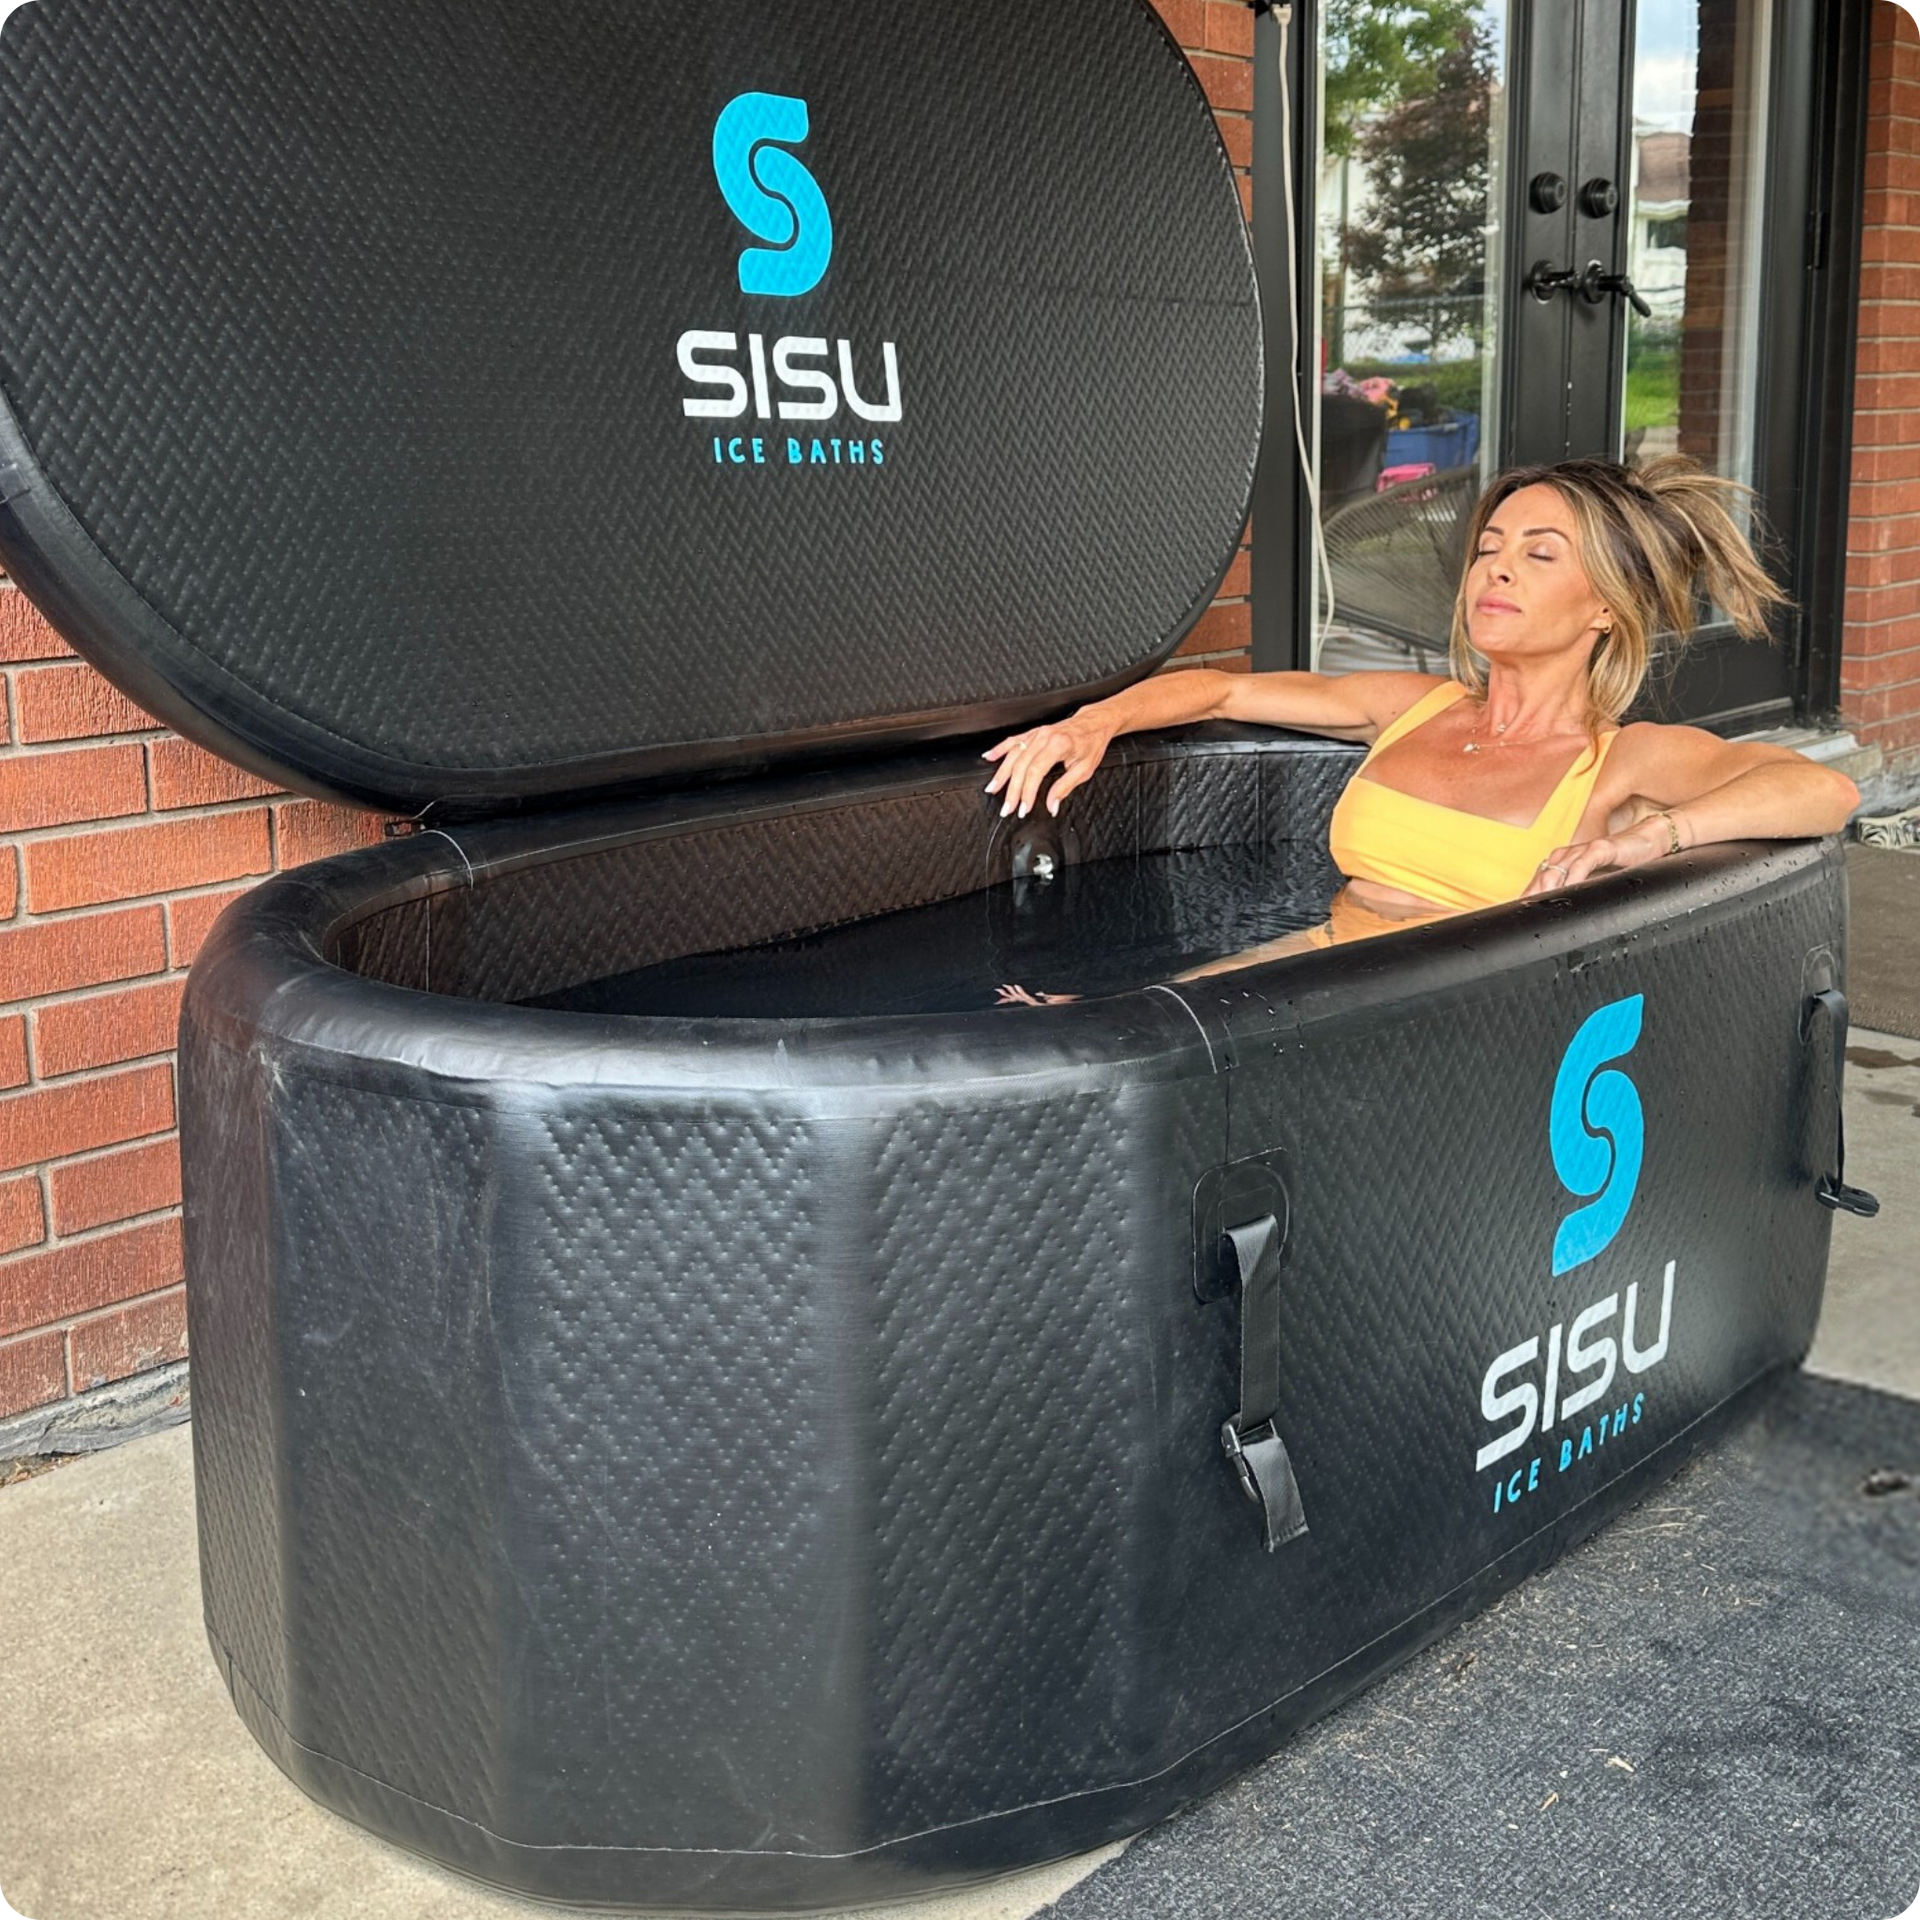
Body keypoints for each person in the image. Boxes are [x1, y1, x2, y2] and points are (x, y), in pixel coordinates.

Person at [984, 456, 1859, 997]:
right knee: (1098, 1037)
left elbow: (1826, 789)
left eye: (1539, 555)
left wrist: (1661, 834)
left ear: (1605, 609)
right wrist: (1091, 725)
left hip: (1460, 1020)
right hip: (1322, 969)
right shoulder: (1415, 707)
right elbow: (1219, 694)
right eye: (1489, 548)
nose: (1496, 571)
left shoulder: (1623, 757)